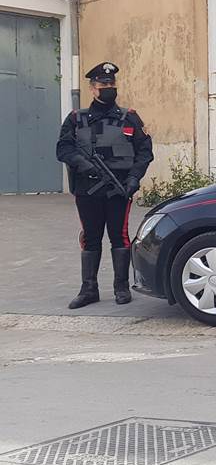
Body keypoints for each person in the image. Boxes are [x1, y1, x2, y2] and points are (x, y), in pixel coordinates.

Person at [56, 62, 154, 308]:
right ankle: (89, 289)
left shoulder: (129, 117)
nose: (108, 88)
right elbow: (63, 148)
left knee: (119, 237)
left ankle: (121, 287)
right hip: (87, 189)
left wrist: (134, 178)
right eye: (103, 84)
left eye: (111, 84)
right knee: (91, 237)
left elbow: (144, 151)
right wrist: (81, 163)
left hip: (118, 188)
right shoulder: (76, 119)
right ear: (92, 88)